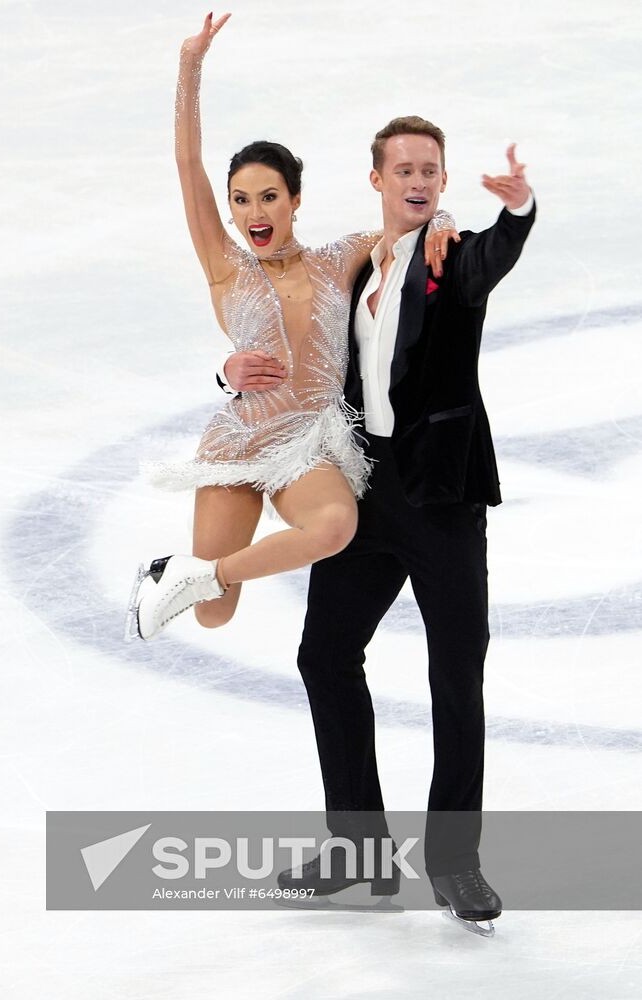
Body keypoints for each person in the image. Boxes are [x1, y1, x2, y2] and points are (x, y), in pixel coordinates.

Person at [220, 120, 536, 930]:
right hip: (366, 488)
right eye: (404, 170)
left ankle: (455, 863)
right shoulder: (352, 266)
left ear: (441, 179)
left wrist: (519, 211)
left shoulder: (449, 257)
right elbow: (288, 339)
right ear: (377, 181)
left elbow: (488, 264)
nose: (419, 181)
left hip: (442, 498)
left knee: (455, 673)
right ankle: (358, 852)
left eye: (430, 169)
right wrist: (226, 372)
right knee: (324, 655)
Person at [124, 13, 456, 643]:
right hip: (237, 440)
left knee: (335, 527)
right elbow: (186, 162)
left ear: (294, 200)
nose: (254, 212)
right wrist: (189, 68)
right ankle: (196, 582)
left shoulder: (339, 259)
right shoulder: (225, 267)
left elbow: (407, 226)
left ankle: (188, 573)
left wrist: (445, 220)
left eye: (269, 196)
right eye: (242, 200)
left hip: (306, 442)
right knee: (215, 612)